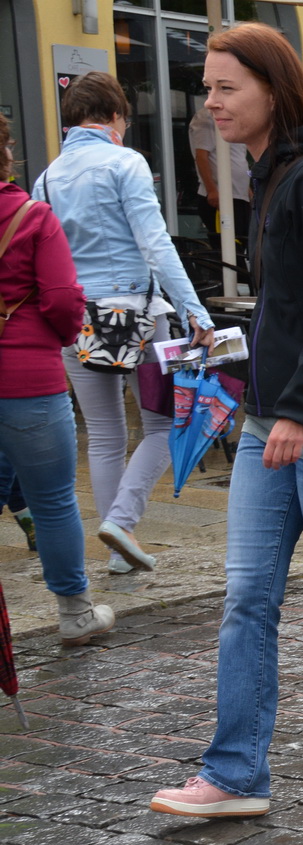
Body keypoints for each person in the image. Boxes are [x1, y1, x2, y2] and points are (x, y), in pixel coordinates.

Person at [150, 22, 303, 819]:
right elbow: (294, 310)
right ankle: (234, 774)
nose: (211, 101)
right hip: (276, 422)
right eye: (208, 87)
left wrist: (296, 406)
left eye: (227, 87)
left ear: (272, 89)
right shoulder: (274, 172)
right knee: (247, 596)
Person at [34, 71, 215, 577]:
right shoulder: (125, 161)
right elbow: (155, 244)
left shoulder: (46, 177)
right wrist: (194, 310)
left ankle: (119, 548)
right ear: (115, 117)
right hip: (133, 313)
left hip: (76, 318)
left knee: (105, 433)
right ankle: (122, 521)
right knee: (164, 422)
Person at [0, 111, 114, 646]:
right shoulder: (30, 216)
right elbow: (66, 300)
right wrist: (61, 337)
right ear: (7, 152)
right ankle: (74, 613)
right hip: (30, 381)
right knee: (52, 502)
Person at [190, 103, 252, 244]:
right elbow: (201, 156)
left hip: (238, 195)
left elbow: (236, 158)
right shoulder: (207, 117)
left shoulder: (233, 119)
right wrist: (211, 190)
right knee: (228, 246)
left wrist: (246, 189)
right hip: (221, 197)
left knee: (242, 243)